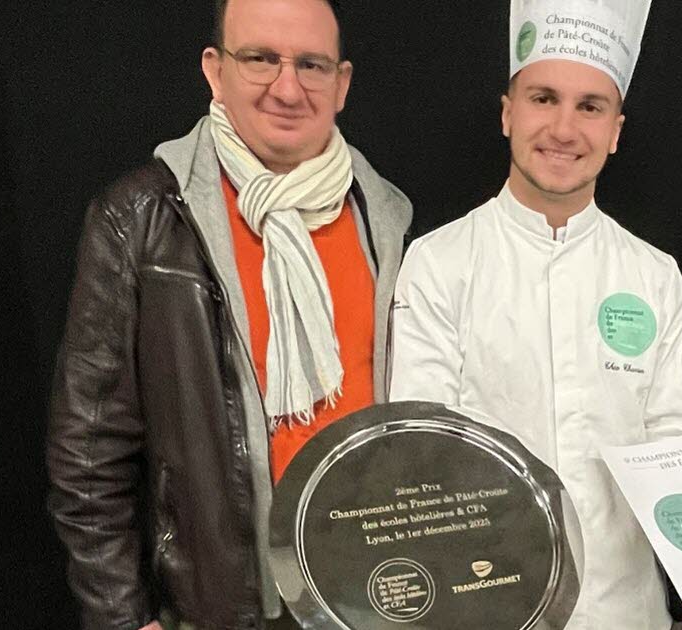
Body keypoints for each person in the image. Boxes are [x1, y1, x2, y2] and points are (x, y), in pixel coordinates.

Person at [46, 0, 412, 627]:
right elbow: (87, 453)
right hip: (227, 610)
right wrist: (123, 619)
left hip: (374, 596)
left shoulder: (386, 219)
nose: (288, 87)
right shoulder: (140, 221)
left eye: (312, 64)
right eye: (261, 59)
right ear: (215, 70)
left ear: (342, 83)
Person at [388, 1, 682, 628]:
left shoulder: (652, 275)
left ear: (616, 130)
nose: (565, 129)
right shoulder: (439, 263)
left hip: (626, 611)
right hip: (482, 608)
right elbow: (423, 452)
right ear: (509, 113)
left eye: (590, 106)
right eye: (544, 98)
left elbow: (681, 444)